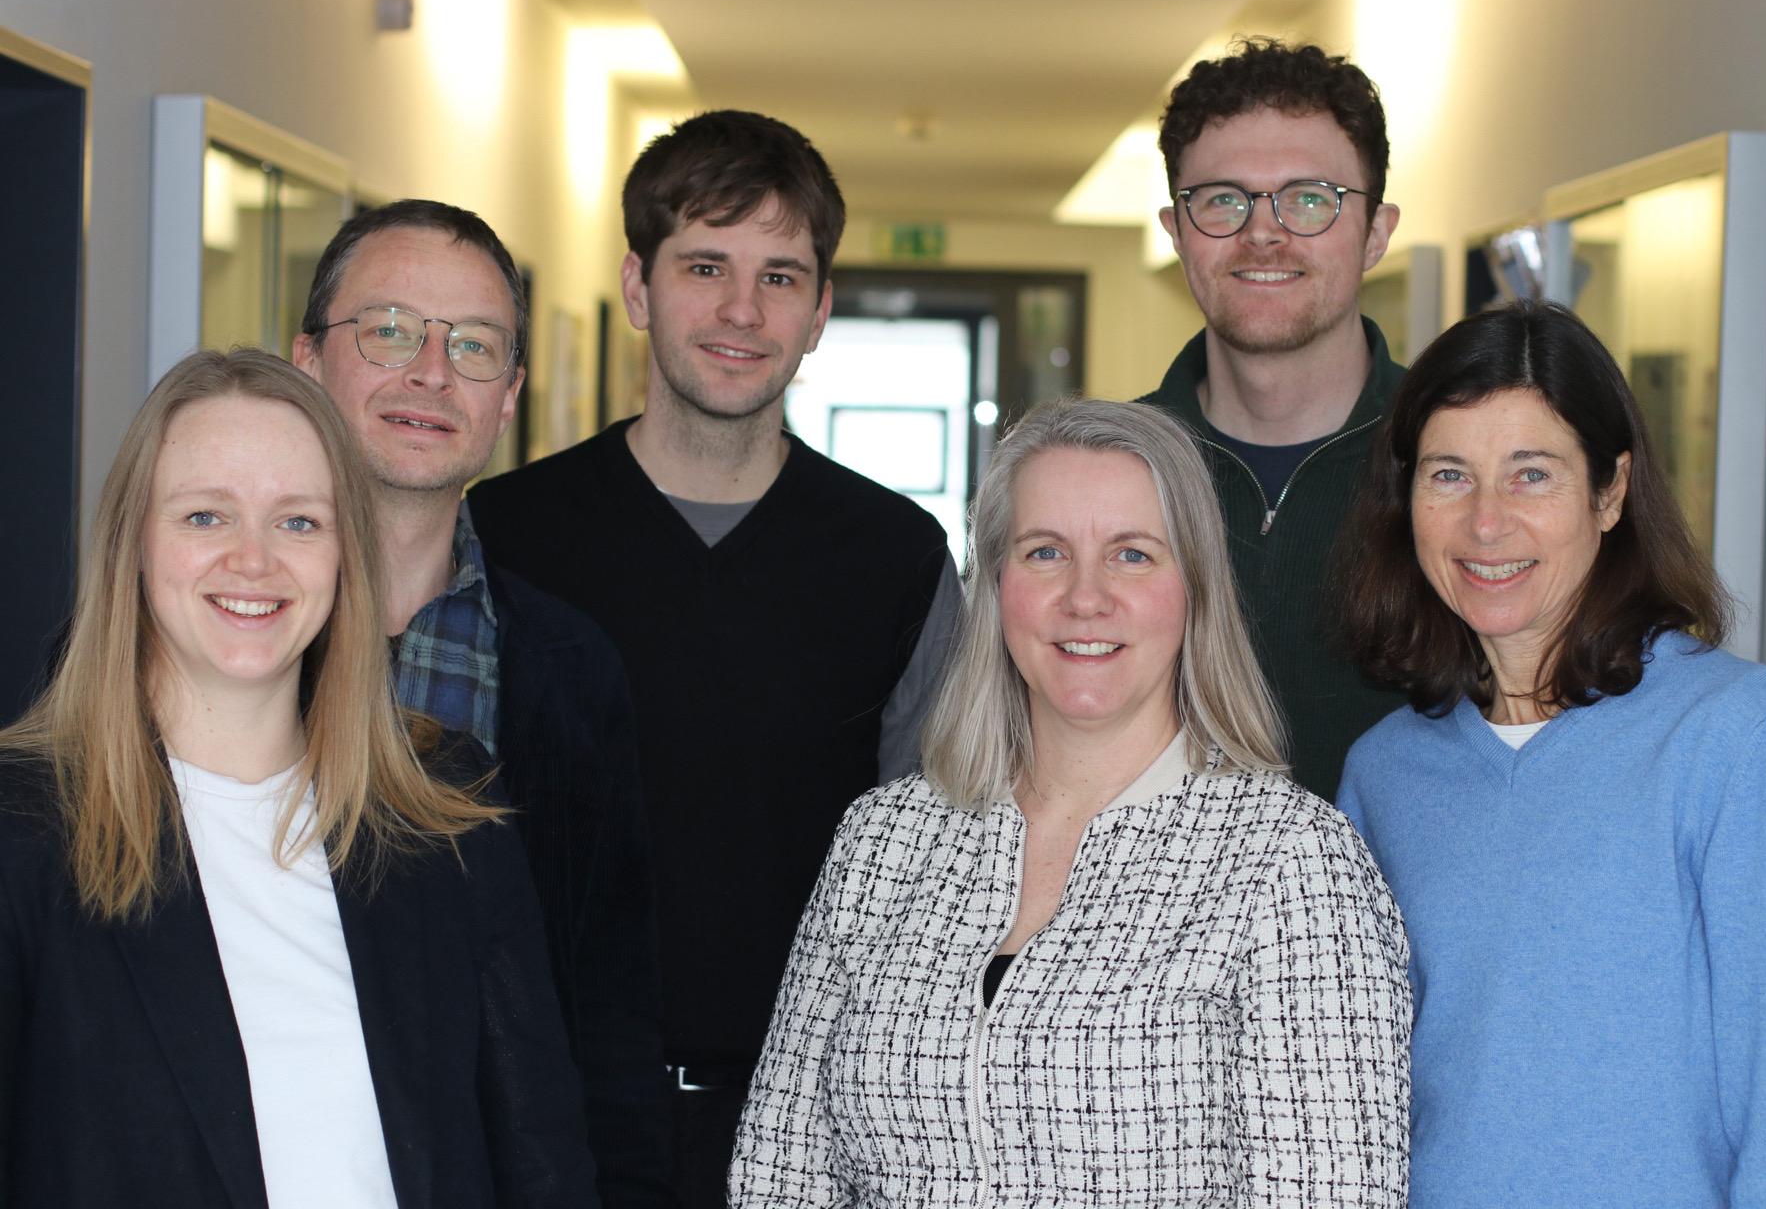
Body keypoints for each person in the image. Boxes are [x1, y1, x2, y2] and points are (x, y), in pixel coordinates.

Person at [733, 397, 1411, 1208]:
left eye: (1131, 555)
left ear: (1194, 588)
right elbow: (780, 1174)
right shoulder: (882, 841)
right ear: (995, 586)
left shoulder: (1292, 864)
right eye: (1046, 552)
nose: (1085, 599)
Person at [466, 109, 957, 1208]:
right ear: (638, 290)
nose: (744, 309)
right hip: (547, 1122)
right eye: (706, 265)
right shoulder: (506, 534)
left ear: (822, 311)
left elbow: (936, 875)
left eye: (782, 276)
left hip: (807, 1128)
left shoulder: (895, 558)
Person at [0, 350, 597, 1207]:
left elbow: (545, 1165)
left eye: (299, 522)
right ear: (133, 542)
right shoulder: (21, 832)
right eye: (206, 517)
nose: (253, 561)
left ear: (346, 555)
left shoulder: (448, 814)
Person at [1331, 302, 1766, 1208]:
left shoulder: (1736, 737)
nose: (1486, 523)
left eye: (1531, 475)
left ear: (1611, 490)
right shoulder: (1385, 774)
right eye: (1449, 475)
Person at [291, 198, 672, 1208]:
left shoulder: (568, 665)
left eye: (472, 345)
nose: (429, 372)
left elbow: (609, 1008)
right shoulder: (198, 637)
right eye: (388, 329)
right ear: (305, 360)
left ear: (507, 396)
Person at [1139, 37, 1407, 801]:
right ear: (1177, 231)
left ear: (1378, 233)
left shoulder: (1457, 465)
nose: (1264, 232)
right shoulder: (1104, 473)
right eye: (1223, 198)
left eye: (1311, 198)